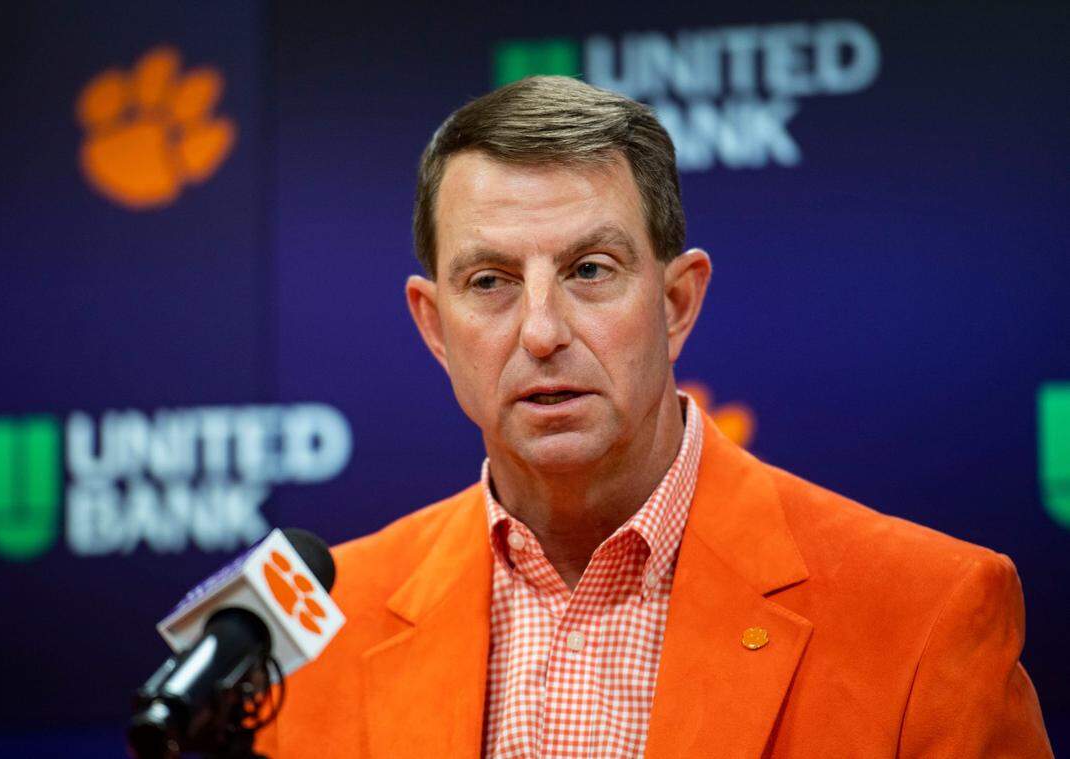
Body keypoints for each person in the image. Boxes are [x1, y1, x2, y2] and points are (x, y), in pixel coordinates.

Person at [257, 76, 1051, 757]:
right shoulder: (304, 630)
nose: (541, 331)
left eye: (590, 269)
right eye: (491, 280)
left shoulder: (926, 611)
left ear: (676, 303)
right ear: (434, 326)